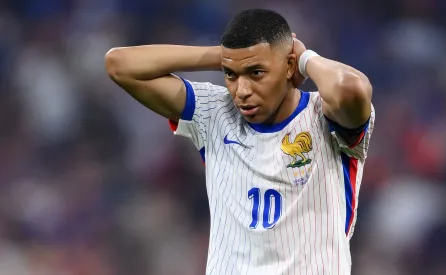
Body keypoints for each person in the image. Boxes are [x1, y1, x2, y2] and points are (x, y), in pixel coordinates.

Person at [105, 8, 374, 275]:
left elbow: (352, 88)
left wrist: (305, 58)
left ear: (288, 67)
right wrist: (223, 56)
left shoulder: (325, 117)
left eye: (256, 73)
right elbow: (119, 65)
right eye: (231, 75)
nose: (242, 91)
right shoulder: (214, 113)